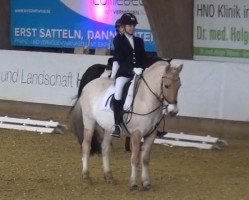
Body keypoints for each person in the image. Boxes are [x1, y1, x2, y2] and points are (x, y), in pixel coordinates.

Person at [110, 13, 148, 138]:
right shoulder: (118, 40)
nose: (131, 27)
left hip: (139, 73)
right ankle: (117, 124)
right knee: (118, 91)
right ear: (124, 26)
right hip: (125, 74)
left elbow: (143, 58)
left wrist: (143, 68)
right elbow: (120, 59)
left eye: (133, 25)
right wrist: (132, 70)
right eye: (129, 25)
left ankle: (150, 124)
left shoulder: (139, 41)